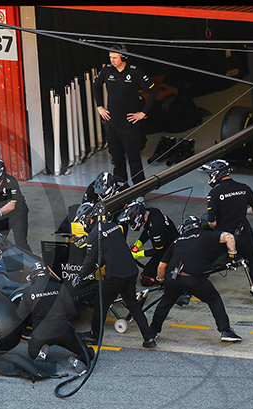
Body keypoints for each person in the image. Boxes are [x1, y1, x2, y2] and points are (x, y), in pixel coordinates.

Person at [146, 216, 242, 344]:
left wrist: (162, 282)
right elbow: (229, 237)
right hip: (193, 278)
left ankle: (152, 331)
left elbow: (161, 266)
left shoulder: (177, 240)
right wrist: (232, 256)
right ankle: (225, 331)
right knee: (213, 299)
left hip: (172, 277)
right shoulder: (204, 235)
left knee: (165, 303)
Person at [71, 202, 154, 348]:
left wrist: (80, 275)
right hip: (130, 271)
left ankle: (95, 336)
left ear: (90, 219)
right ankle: (149, 338)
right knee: (133, 305)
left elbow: (90, 260)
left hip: (116, 276)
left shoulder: (94, 235)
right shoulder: (114, 226)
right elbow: (111, 250)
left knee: (100, 304)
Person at [92, 44, 158, 186]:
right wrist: (100, 107)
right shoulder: (107, 70)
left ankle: (139, 191)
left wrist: (143, 113)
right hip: (112, 124)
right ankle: (120, 189)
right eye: (110, 57)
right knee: (117, 160)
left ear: (123, 57)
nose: (112, 60)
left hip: (129, 125)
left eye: (115, 57)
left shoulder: (135, 72)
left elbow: (154, 91)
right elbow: (96, 85)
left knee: (134, 160)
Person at [203, 159, 253, 307]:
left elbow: (211, 222)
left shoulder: (214, 193)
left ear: (216, 174)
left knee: (204, 260)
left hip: (224, 236)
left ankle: (186, 292)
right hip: (244, 234)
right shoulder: (244, 188)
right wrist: (240, 211)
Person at [17, 261, 95, 371]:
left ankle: (41, 354)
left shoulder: (28, 291)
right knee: (87, 351)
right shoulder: (59, 287)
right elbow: (71, 310)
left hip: (41, 334)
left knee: (32, 352)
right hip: (62, 331)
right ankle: (78, 360)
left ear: (33, 275)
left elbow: (20, 315)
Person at [118, 201, 178, 286]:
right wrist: (138, 244)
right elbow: (147, 230)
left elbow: (159, 251)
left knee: (145, 280)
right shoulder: (151, 212)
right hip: (167, 242)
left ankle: (166, 275)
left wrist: (138, 254)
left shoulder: (156, 228)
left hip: (170, 250)